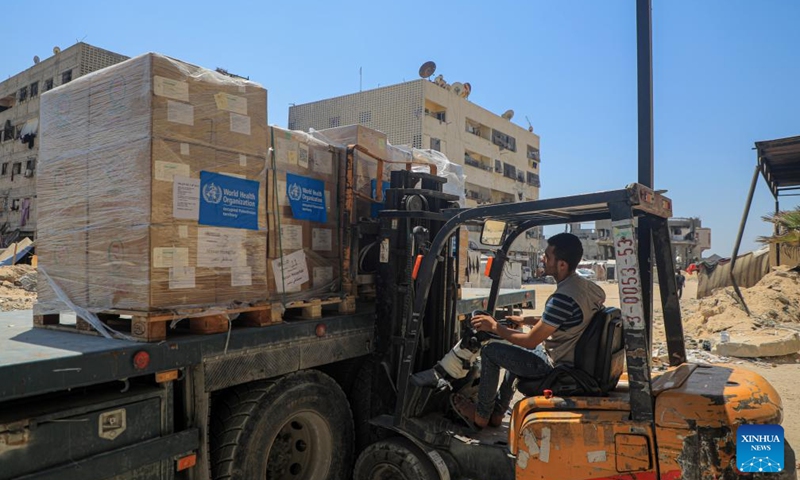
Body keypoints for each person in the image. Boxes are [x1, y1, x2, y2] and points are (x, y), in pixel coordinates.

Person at [450, 233, 606, 429]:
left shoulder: (562, 299)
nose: (543, 259)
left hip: (558, 366)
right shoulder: (587, 287)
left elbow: (530, 341)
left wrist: (494, 326)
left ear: (562, 265)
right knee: (512, 347)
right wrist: (525, 320)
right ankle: (498, 412)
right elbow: (570, 320)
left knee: (491, 351)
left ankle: (481, 415)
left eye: (548, 257)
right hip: (570, 357)